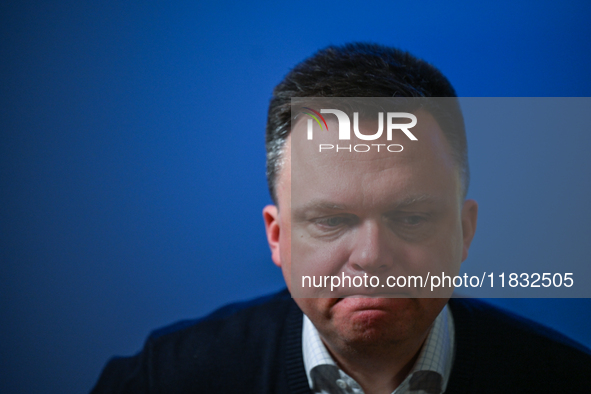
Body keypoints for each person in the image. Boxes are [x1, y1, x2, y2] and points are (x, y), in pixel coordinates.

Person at [91, 43, 591, 393]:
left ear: (464, 232)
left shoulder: (566, 380)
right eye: (330, 221)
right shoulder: (164, 381)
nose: (371, 258)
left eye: (412, 218)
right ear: (278, 235)